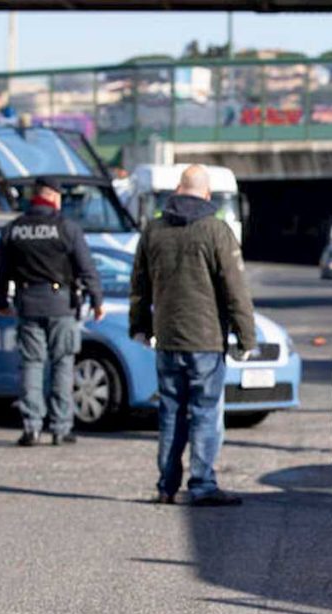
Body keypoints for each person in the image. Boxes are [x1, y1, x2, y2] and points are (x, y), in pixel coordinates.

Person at [129, 165, 255, 507]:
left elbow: (139, 285)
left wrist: (139, 326)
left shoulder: (153, 230)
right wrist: (246, 337)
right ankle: (201, 485)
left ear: (176, 191)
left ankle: (167, 486)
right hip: (205, 339)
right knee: (205, 412)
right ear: (207, 195)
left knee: (170, 412)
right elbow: (235, 289)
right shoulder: (216, 231)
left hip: (167, 340)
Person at [0, 176, 104, 446]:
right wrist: (97, 300)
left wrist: (1, 303)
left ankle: (31, 426)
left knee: (31, 364)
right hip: (61, 304)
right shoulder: (66, 228)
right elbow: (86, 267)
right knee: (63, 363)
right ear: (53, 196)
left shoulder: (14, 229)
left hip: (28, 302)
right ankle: (60, 428)